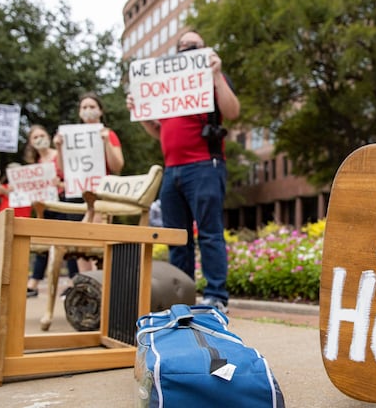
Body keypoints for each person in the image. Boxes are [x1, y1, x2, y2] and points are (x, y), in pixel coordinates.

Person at [126, 30, 240, 313]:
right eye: (183, 46)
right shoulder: (169, 88)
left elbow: (233, 111)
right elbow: (158, 131)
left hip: (204, 166)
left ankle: (216, 296)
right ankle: (182, 295)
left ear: (205, 50)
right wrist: (140, 112)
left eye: (195, 46)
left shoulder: (213, 80)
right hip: (172, 171)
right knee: (177, 237)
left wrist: (216, 75)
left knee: (209, 233)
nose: (188, 49)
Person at [54, 92, 125, 272]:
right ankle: (85, 286)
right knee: (80, 245)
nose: (88, 110)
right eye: (84, 107)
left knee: (95, 239)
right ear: (79, 113)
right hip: (76, 194)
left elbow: (117, 165)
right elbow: (63, 170)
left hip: (99, 194)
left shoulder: (108, 134)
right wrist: (59, 148)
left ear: (100, 111)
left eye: (92, 107)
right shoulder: (68, 137)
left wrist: (106, 142)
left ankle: (100, 283)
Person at [23, 124, 78, 297]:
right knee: (43, 243)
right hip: (45, 206)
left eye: (42, 135)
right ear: (31, 143)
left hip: (62, 203)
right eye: (35, 137)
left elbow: (74, 180)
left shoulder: (58, 156)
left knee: (66, 242)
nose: (39, 139)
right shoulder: (35, 165)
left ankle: (73, 281)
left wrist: (60, 184)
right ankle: (34, 282)